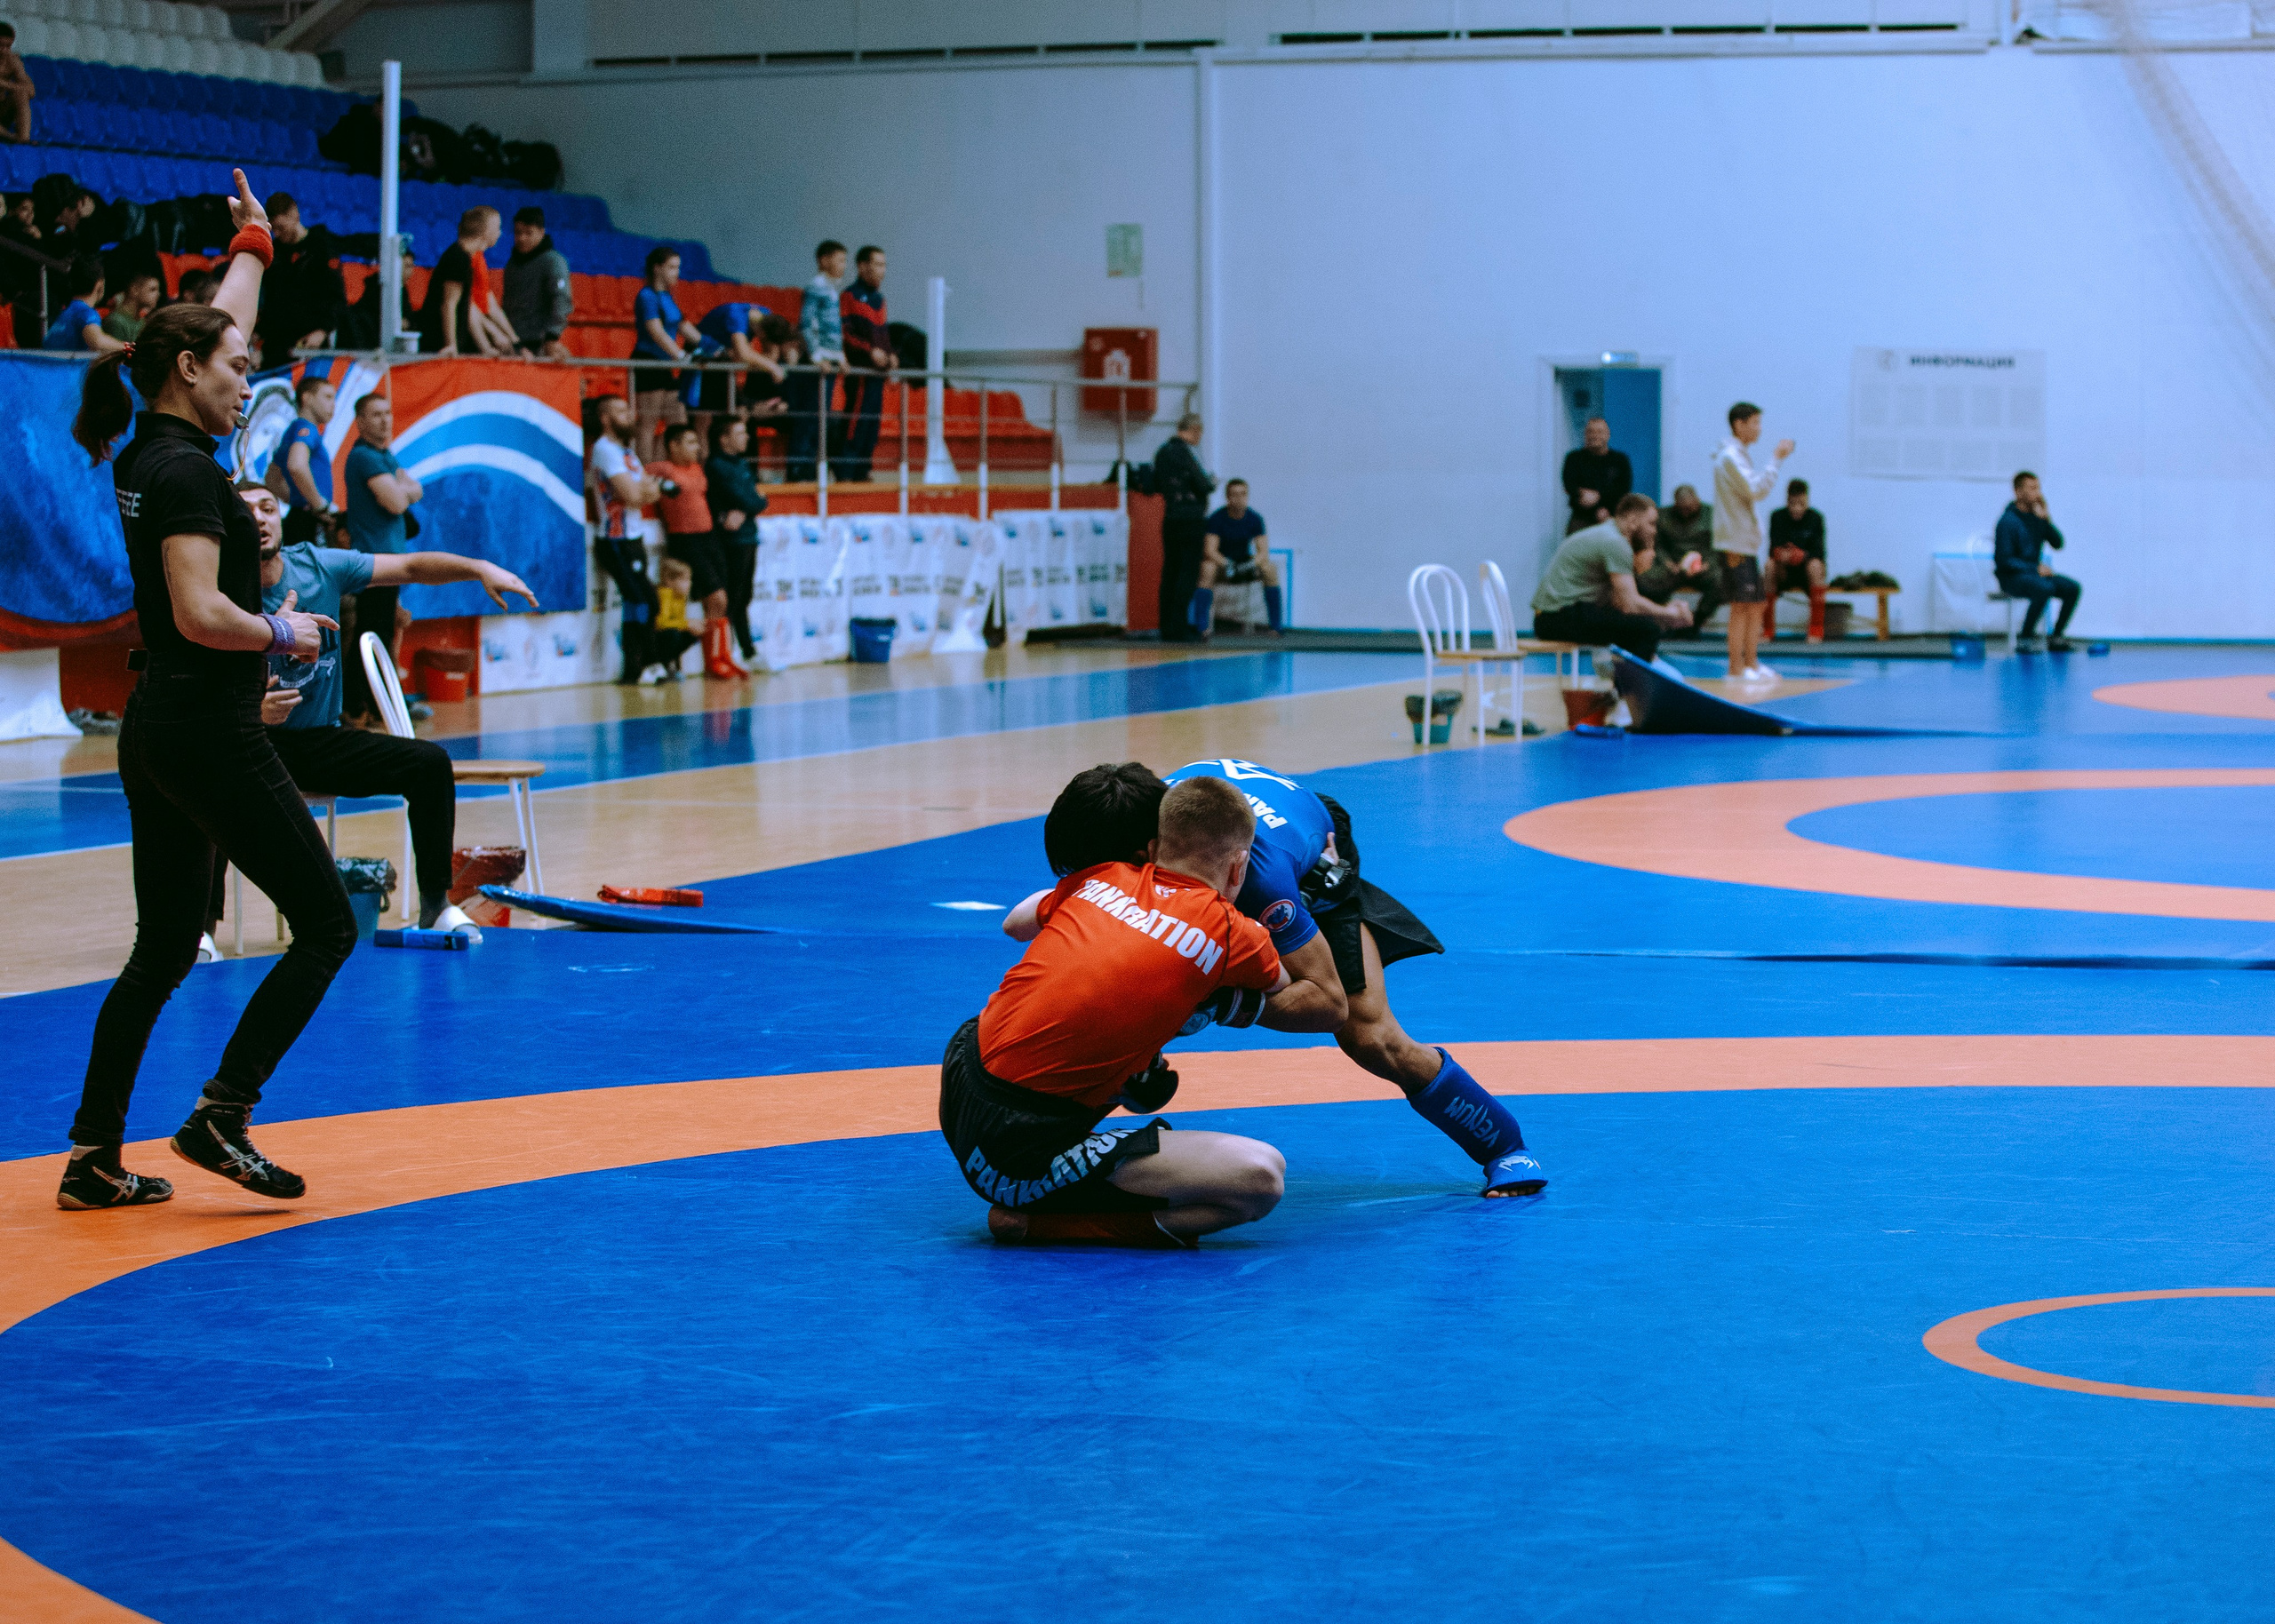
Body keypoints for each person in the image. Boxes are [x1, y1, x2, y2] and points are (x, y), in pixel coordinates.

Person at [59, 169, 348, 1212]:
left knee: (161, 950)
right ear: (188, 371)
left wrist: (255, 250)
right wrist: (287, 627)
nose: (248, 378)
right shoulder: (185, 472)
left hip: (165, 728)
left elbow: (215, 322)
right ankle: (223, 1113)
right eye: (236, 369)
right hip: (207, 730)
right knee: (326, 925)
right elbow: (194, 610)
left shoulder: (164, 438)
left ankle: (93, 1159)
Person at [1045, 758, 1548, 1198]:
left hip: (1305, 869)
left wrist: (1224, 1004)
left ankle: (1504, 1145)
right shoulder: (1126, 814)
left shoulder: (1263, 882)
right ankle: (1065, 1136)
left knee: (1372, 1037)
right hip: (1246, 827)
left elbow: (1329, 1002)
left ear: (1144, 852)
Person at [959, 772, 1344, 1247]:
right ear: (1239, 867)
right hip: (1012, 1156)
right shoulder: (1234, 934)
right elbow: (1307, 995)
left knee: (1126, 1024)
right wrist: (1301, 906)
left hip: (963, 1082)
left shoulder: (1105, 878)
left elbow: (1015, 923)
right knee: (1261, 1177)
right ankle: (1036, 1224)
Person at [236, 480, 536, 930]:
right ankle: (201, 930)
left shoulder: (318, 565)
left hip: (319, 742)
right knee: (208, 782)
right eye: (245, 512)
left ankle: (436, 906)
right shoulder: (216, 590)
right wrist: (251, 710)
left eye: (267, 508)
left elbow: (412, 565)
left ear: (280, 517)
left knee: (429, 764)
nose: (259, 518)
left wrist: (479, 568)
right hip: (249, 744)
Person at [339, 391, 424, 724]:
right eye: (375, 414)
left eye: (388, 412)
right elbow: (399, 502)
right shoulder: (365, 457)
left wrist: (406, 488)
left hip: (389, 558)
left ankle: (370, 705)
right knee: (370, 634)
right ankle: (359, 706)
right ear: (360, 422)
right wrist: (406, 489)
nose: (385, 419)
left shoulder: (384, 454)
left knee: (379, 632)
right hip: (375, 560)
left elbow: (412, 487)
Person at [1530, 494, 1690, 664]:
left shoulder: (1609, 534)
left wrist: (1663, 610)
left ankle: (1618, 678)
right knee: (1647, 630)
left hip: (1554, 616)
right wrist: (1670, 613)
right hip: (1556, 618)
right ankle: (1629, 688)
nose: (1654, 531)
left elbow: (1620, 602)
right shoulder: (1615, 543)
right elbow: (1630, 604)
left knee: (1637, 625)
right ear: (1633, 520)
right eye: (1651, 523)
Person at [1712, 401, 1795, 683]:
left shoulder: (1738, 455)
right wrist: (1776, 459)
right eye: (1756, 422)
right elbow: (1757, 489)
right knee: (1742, 604)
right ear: (1740, 424)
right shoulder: (1729, 458)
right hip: (1735, 544)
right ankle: (1736, 668)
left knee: (1756, 603)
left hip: (1744, 543)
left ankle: (1752, 663)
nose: (1760, 429)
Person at [587, 393, 665, 684]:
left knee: (638, 602)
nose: (629, 415)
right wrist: (642, 491)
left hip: (634, 536)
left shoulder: (628, 453)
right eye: (620, 411)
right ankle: (650, 662)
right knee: (644, 600)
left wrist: (643, 491)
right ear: (606, 419)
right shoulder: (605, 450)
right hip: (615, 538)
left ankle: (636, 669)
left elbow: (653, 493)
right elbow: (634, 495)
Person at [656, 422, 744, 680]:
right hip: (686, 538)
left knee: (718, 600)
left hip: (709, 537)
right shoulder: (664, 468)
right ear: (674, 445)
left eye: (697, 442)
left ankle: (718, 657)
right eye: (691, 442)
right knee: (717, 598)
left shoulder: (697, 469)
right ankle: (708, 659)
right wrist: (661, 484)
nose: (698, 448)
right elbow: (644, 476)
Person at [1995, 471, 2081, 653]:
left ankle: (2056, 636)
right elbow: (2003, 561)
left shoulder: (2037, 519)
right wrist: (2034, 568)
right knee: (2044, 588)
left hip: (2034, 575)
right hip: (2012, 578)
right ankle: (2025, 638)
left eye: (2038, 488)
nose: (2038, 493)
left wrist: (2046, 519)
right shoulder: (2007, 521)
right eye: (2032, 488)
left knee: (2072, 588)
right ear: (2018, 492)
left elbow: (2058, 544)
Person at [256, 192, 348, 359]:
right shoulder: (273, 252)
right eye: (273, 229)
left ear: (294, 215)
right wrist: (260, 332)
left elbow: (335, 297)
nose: (277, 233)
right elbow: (270, 298)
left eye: (281, 228)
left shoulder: (322, 248)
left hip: (310, 340)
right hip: (277, 341)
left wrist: (322, 330)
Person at [630, 244, 700, 463]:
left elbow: (684, 328)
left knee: (677, 422)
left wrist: (714, 347)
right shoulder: (647, 296)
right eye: (671, 267)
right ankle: (646, 472)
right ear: (657, 268)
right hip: (648, 362)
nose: (676, 273)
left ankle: (660, 468)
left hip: (665, 364)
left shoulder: (667, 297)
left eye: (677, 267)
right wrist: (680, 355)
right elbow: (656, 331)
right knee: (648, 424)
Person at [706, 414, 766, 666]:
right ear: (724, 438)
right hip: (732, 541)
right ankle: (732, 652)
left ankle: (747, 652)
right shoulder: (717, 466)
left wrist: (748, 507)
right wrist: (752, 503)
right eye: (740, 433)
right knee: (734, 597)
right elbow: (751, 498)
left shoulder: (742, 464)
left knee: (745, 596)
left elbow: (757, 499)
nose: (747, 437)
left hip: (748, 536)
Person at [787, 240, 848, 482]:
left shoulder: (833, 289)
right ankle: (799, 470)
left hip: (829, 361)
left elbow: (833, 328)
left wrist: (840, 355)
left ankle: (809, 468)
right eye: (840, 259)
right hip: (817, 363)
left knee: (820, 416)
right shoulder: (816, 287)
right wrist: (816, 357)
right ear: (824, 260)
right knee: (810, 416)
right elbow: (807, 323)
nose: (843, 265)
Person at [1152, 413, 1215, 643]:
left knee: (1170, 571)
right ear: (1195, 430)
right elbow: (1203, 484)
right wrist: (1211, 483)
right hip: (1191, 519)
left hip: (1171, 519)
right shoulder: (1187, 453)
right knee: (1187, 573)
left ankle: (1166, 626)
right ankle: (1179, 627)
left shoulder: (1162, 452)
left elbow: (1155, 483)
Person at [1192, 477, 1283, 637]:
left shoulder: (1255, 519)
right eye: (1235, 495)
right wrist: (1228, 564)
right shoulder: (1217, 519)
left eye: (1243, 494)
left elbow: (1263, 552)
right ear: (1228, 497)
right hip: (1223, 564)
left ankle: (1276, 627)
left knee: (1270, 569)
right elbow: (1210, 550)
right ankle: (1202, 628)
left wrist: (1247, 566)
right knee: (1207, 567)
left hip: (1244, 564)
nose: (1239, 499)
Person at [418, 206, 510, 357]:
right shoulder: (458, 258)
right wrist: (451, 345)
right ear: (485, 231)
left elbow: (467, 307)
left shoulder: (465, 257)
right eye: (497, 228)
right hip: (436, 343)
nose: (500, 233)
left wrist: (485, 347)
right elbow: (449, 304)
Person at [836, 244, 891, 482]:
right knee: (856, 423)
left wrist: (891, 353)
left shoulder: (880, 300)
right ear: (862, 266)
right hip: (860, 372)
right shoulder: (849, 296)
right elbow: (846, 333)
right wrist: (870, 352)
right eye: (878, 264)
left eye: (884, 265)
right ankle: (845, 472)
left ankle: (863, 470)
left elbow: (883, 334)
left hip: (877, 374)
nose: (882, 270)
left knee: (872, 425)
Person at [1633, 482, 1721, 629]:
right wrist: (1667, 563)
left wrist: (1707, 564)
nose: (1686, 512)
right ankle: (1659, 620)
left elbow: (1718, 545)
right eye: (1682, 509)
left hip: (1703, 566)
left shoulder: (1712, 515)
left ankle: (1697, 620)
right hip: (1672, 565)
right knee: (1645, 579)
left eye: (1690, 508)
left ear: (1697, 501)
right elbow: (1657, 544)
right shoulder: (1662, 517)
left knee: (1721, 581)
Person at [272, 370, 339, 546]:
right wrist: (319, 505)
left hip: (298, 517)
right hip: (311, 520)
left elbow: (272, 479)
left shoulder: (291, 431)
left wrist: (298, 500)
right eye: (328, 397)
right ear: (307, 398)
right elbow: (296, 465)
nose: (333, 404)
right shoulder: (307, 429)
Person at [694, 299, 792, 418]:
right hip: (703, 357)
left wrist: (768, 363)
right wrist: (772, 367)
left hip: (724, 360)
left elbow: (772, 355)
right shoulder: (736, 316)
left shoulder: (766, 314)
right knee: (707, 414)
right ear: (761, 333)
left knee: (738, 409)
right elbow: (743, 354)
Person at [501, 205, 571, 359]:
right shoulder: (512, 264)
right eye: (518, 233)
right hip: (514, 343)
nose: (522, 238)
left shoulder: (553, 262)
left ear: (541, 232)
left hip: (540, 343)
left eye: (528, 233)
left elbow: (561, 300)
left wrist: (552, 337)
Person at [1767, 478, 1828, 643]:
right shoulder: (1777, 517)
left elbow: (1820, 553)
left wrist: (1802, 556)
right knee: (1769, 566)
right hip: (1784, 572)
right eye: (1792, 503)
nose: (1796, 508)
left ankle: (1816, 630)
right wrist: (1781, 554)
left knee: (1816, 566)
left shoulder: (1816, 519)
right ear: (1787, 501)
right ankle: (1767, 629)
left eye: (1801, 503)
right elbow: (1772, 549)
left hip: (1806, 573)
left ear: (1807, 500)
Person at [1561, 414, 1633, 535]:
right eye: (1590, 432)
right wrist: (1581, 493)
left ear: (1608, 435)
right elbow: (1569, 484)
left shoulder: (1620, 460)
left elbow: (1624, 488)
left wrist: (1600, 497)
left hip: (1612, 517)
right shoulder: (1574, 458)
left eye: (1599, 432)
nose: (1594, 436)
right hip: (1581, 518)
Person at [42, 255, 121, 353]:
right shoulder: (86, 313)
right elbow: (97, 342)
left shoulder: (65, 314)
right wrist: (128, 348)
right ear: (99, 285)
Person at [103, 272, 162, 345]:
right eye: (152, 289)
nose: (158, 294)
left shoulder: (142, 322)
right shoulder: (115, 322)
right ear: (135, 290)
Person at [0, 21, 34, 144]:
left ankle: (24, 139)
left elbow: (31, 91)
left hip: (3, 110)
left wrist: (5, 84)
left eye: (8, 46)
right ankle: (11, 137)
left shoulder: (13, 61)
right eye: (0, 46)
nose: (4, 50)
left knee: (21, 94)